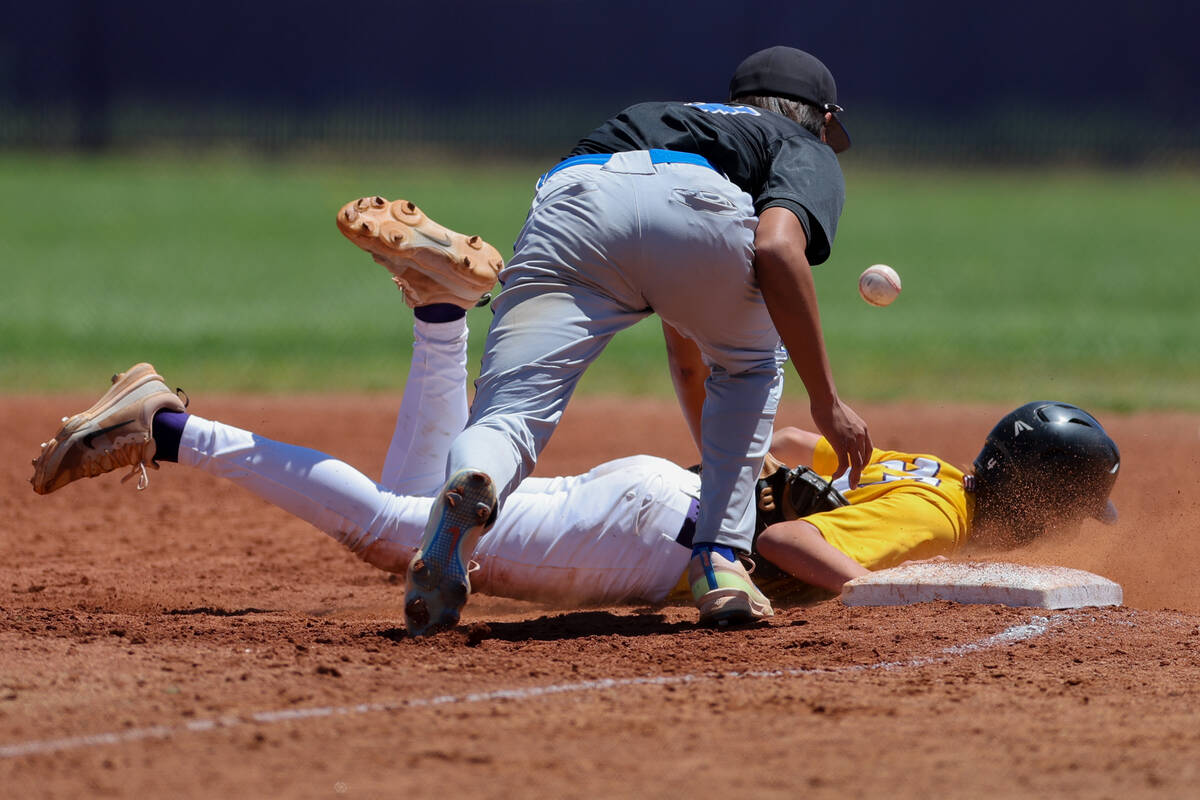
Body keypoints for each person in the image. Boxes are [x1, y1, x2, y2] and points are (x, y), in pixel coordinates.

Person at [28, 219, 1121, 612]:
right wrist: (881, 598)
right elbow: (788, 537)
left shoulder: (931, 471)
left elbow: (791, 451)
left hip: (652, 496)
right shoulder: (935, 528)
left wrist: (792, 468)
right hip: (654, 537)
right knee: (387, 532)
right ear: (1045, 502)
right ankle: (171, 427)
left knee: (415, 512)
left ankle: (444, 316)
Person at [350, 44, 874, 635]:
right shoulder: (799, 142)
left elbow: (686, 359)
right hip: (704, 208)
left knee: (510, 412)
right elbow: (777, 248)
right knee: (753, 364)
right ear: (822, 118)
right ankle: (722, 563)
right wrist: (825, 400)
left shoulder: (663, 113)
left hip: (575, 200)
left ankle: (478, 480)